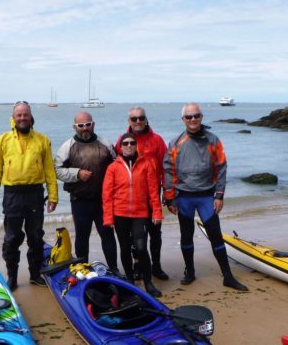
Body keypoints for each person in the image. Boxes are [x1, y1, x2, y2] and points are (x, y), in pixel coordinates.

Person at [163, 102, 248, 291]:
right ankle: (190, 272)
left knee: (215, 236)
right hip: (183, 197)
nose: (193, 119)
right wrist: (169, 198)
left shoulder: (213, 140)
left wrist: (219, 195)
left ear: (201, 117)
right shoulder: (175, 142)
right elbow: (168, 171)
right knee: (186, 236)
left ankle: (228, 276)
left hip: (206, 197)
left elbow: (221, 167)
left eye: (196, 116)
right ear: (183, 120)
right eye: (188, 117)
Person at [0, 101, 58, 291]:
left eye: (25, 114)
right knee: (12, 238)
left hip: (35, 193)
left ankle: (35, 275)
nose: (22, 118)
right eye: (19, 115)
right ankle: (12, 277)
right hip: (12, 195)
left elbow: (50, 171)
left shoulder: (43, 140)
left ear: (30, 116)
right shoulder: (2, 140)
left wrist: (53, 196)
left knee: (35, 237)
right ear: (13, 117)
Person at [54, 111, 118, 271]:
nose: (85, 128)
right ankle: (82, 269)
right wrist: (77, 174)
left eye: (88, 124)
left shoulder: (105, 143)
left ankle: (114, 269)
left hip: (103, 201)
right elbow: (56, 171)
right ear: (74, 127)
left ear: (93, 124)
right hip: (80, 201)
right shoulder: (67, 146)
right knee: (82, 238)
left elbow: (117, 166)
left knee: (108, 236)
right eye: (81, 125)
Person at [103, 133, 163, 297]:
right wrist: (108, 218)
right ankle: (130, 281)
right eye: (125, 143)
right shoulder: (113, 167)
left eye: (132, 143)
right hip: (120, 214)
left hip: (140, 213)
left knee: (141, 248)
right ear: (120, 147)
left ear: (136, 146)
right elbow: (107, 195)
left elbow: (153, 191)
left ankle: (148, 282)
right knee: (124, 248)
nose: (129, 146)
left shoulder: (146, 164)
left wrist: (157, 212)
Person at [115, 107, 168, 281]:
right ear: (129, 121)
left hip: (152, 193)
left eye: (141, 118)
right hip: (132, 197)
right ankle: (138, 266)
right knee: (135, 236)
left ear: (146, 119)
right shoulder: (122, 141)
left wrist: (167, 192)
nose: (138, 121)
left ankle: (157, 266)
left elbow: (165, 167)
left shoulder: (157, 140)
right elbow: (117, 167)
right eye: (134, 119)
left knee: (155, 233)